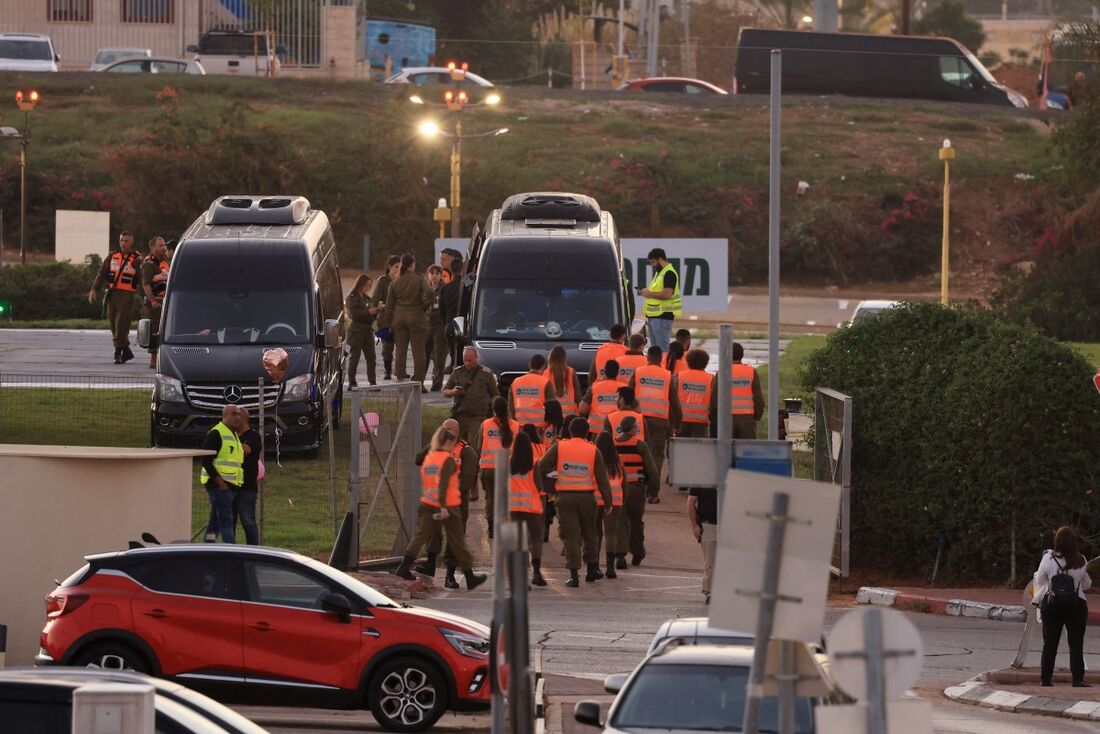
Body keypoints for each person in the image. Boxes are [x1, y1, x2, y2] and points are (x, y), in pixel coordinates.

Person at [394, 427, 488, 591]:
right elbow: (444, 484)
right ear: (447, 442)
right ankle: (469, 575)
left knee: (421, 536)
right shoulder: (447, 460)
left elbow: (429, 478)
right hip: (447, 505)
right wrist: (444, 507)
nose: (453, 448)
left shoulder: (430, 458)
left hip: (428, 501)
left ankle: (404, 565)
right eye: (452, 443)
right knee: (457, 540)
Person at [540, 417, 611, 587]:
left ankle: (574, 576)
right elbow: (602, 480)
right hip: (587, 497)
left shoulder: (559, 447)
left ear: (570, 431)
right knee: (590, 533)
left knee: (570, 535)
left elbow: (543, 466)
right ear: (587, 433)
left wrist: (555, 478)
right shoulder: (594, 450)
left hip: (565, 497)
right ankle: (592, 569)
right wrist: (608, 502)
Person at [415, 418, 480, 589]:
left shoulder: (466, 452)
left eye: (448, 429)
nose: (444, 431)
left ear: (457, 433)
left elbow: (466, 482)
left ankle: (450, 574)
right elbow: (418, 459)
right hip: (435, 500)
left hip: (456, 502)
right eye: (442, 428)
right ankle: (430, 564)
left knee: (455, 538)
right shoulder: (436, 448)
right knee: (433, 532)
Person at [1033, 526, 1092, 687]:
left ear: (1057, 541)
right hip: (1076, 604)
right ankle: (1077, 679)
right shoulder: (1081, 560)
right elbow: (1087, 583)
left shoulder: (1048, 559)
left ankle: (1045, 679)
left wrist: (1053, 587)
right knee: (1076, 643)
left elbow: (1039, 579)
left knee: (1050, 643)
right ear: (1074, 542)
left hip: (1052, 604)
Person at [609, 413, 659, 567]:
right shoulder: (640, 445)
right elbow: (652, 470)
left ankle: (620, 556)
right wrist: (654, 490)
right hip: (636, 488)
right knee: (636, 522)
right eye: (636, 427)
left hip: (617, 489)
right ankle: (637, 552)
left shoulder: (613, 445)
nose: (638, 429)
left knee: (620, 521)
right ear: (631, 429)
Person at [630, 345, 681, 493]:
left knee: (639, 452)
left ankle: (637, 486)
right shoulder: (667, 375)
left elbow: (628, 395)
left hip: (639, 420)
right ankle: (653, 492)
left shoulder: (638, 372)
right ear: (661, 359)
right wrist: (678, 422)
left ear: (647, 358)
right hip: (660, 420)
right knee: (657, 456)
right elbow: (674, 402)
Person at [88, 231, 143, 364]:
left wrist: (139, 268)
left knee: (121, 325)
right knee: (113, 323)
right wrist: (94, 289)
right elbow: (102, 273)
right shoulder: (112, 256)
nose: (123, 243)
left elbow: (143, 279)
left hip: (126, 295)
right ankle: (126, 351)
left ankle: (118, 353)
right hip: (112, 294)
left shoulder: (137, 258)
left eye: (126, 241)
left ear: (131, 242)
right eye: (121, 240)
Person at [385, 253, 433, 389]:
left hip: (399, 318)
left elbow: (389, 305)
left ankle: (400, 380)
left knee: (400, 350)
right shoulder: (419, 278)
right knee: (419, 352)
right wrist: (424, 305)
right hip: (416, 315)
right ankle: (419, 382)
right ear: (413, 264)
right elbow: (429, 292)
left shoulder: (395, 281)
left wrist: (389, 322)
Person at [474, 397, 519, 539]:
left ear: (493, 410)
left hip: (489, 468)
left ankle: (492, 527)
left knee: (490, 499)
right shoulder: (515, 426)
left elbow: (478, 445)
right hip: (507, 468)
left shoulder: (486, 424)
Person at [199, 405, 245, 543]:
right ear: (224, 416)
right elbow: (205, 460)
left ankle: (207, 546)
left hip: (230, 486)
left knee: (215, 521)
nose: (237, 417)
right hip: (219, 485)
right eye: (233, 414)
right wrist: (221, 483)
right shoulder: (217, 433)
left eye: (239, 414)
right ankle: (231, 551)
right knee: (226, 520)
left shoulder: (233, 434)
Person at [509, 430, 547, 586]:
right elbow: (539, 486)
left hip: (513, 507)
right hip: (531, 507)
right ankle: (537, 572)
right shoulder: (534, 462)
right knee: (536, 538)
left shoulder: (508, 462)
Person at [444, 346, 500, 445]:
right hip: (460, 417)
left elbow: (495, 395)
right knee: (457, 446)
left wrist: (496, 412)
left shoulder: (486, 374)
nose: (467, 363)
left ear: (476, 358)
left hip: (477, 418)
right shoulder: (457, 372)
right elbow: (445, 392)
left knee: (473, 446)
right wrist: (453, 392)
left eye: (470, 360)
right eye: (465, 360)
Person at [593, 431, 625, 579]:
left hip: (595, 499)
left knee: (596, 533)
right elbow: (624, 482)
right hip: (615, 499)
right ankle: (610, 567)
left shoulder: (593, 458)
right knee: (611, 533)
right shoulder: (618, 460)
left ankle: (594, 565)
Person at [638, 248, 681, 353]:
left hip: (662, 316)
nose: (652, 265)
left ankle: (664, 369)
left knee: (663, 351)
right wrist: (646, 292)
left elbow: (667, 294)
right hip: (655, 317)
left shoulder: (669, 273)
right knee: (655, 351)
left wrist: (649, 293)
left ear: (660, 259)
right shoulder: (660, 273)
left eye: (653, 262)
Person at [722, 342, 765, 440]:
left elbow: (715, 399)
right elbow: (758, 398)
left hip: (726, 418)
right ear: (742, 355)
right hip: (747, 418)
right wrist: (756, 416)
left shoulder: (723, 372)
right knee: (747, 451)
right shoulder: (751, 372)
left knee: (726, 451)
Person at [140, 236, 169, 369]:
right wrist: (153, 301)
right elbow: (145, 284)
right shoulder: (149, 263)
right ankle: (153, 359)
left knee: (163, 330)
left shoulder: (163, 262)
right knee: (155, 329)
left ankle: (160, 357)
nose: (163, 247)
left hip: (163, 300)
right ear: (153, 248)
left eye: (164, 245)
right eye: (160, 245)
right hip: (155, 302)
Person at [371, 255, 402, 380]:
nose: (398, 269)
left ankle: (400, 370)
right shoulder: (383, 281)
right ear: (389, 267)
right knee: (387, 347)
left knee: (401, 346)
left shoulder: (402, 280)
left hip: (400, 317)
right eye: (396, 267)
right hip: (385, 318)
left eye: (400, 267)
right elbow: (375, 299)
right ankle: (387, 370)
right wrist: (378, 309)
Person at [234, 407, 262, 545]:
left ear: (243, 419)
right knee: (229, 522)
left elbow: (248, 450)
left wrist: (231, 442)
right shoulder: (231, 436)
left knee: (248, 521)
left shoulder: (254, 437)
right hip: (230, 487)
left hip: (247, 487)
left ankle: (254, 550)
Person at [345, 273, 378, 387]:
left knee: (371, 357)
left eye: (370, 286)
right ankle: (352, 382)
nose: (368, 288)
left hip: (367, 330)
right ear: (361, 284)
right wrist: (368, 312)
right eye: (366, 285)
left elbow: (372, 316)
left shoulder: (368, 299)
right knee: (355, 357)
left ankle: (372, 381)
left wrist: (375, 312)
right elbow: (353, 314)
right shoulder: (352, 297)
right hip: (356, 330)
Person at [688, 482, 718, 605]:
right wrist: (694, 525)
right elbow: (691, 502)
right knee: (710, 560)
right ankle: (710, 592)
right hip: (708, 524)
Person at [676, 349, 716, 439]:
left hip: (682, 420)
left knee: (680, 448)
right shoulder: (711, 379)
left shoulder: (679, 376)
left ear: (688, 361)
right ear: (706, 363)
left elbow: (673, 399)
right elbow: (714, 403)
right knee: (699, 449)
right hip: (701, 422)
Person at [579, 359, 623, 437]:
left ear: (604, 372)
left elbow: (582, 409)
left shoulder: (594, 387)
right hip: (617, 432)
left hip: (597, 432)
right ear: (617, 373)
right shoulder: (624, 388)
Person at [509, 354, 554, 424]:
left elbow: (511, 409)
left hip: (520, 427)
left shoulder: (515, 382)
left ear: (529, 365)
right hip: (539, 429)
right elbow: (551, 409)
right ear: (543, 367)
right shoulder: (546, 382)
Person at [425, 264, 447, 391]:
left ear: (441, 275)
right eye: (432, 273)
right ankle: (420, 381)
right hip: (427, 324)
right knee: (424, 354)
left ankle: (437, 383)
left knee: (439, 355)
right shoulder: (425, 288)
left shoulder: (444, 288)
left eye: (437, 273)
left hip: (440, 325)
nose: (434, 276)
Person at [439, 257, 464, 372]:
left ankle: (453, 365)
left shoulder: (445, 288)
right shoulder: (467, 287)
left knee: (453, 352)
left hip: (450, 323)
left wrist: (446, 322)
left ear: (451, 270)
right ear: (462, 269)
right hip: (464, 323)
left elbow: (441, 309)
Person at [547, 345, 582, 420]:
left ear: (550, 358)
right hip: (570, 418)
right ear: (564, 359)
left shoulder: (545, 374)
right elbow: (578, 396)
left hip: (551, 417)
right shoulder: (571, 373)